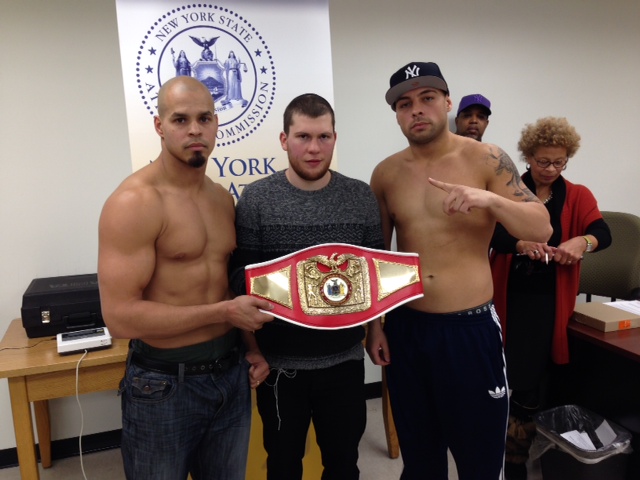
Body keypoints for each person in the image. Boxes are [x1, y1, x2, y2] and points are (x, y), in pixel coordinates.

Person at [366, 61, 552, 480]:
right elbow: (379, 256)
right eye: (404, 104)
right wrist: (374, 327)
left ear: (447, 103)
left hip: (469, 330)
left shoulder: (486, 158)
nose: (416, 109)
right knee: (420, 457)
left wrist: (490, 200)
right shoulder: (386, 173)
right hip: (407, 328)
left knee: (480, 459)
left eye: (427, 98)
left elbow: (542, 228)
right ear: (397, 114)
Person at [97, 76, 274, 480]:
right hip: (163, 385)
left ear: (216, 124)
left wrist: (251, 347)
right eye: (180, 119)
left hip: (230, 375)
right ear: (159, 126)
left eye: (204, 118)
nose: (195, 129)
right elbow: (120, 318)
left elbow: (225, 285)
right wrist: (224, 312)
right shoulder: (134, 202)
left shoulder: (221, 198)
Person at [229, 93, 385, 480]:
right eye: (303, 137)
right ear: (284, 140)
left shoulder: (360, 196)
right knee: (283, 466)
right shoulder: (257, 199)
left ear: (334, 138)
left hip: (345, 360)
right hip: (280, 366)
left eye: (323, 137)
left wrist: (376, 330)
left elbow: (374, 274)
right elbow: (241, 283)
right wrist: (252, 349)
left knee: (343, 464)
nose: (314, 148)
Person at [490, 117, 611, 468]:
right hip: (508, 293)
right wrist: (520, 244)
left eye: (560, 162)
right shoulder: (507, 190)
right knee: (504, 370)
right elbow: (491, 235)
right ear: (528, 156)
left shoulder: (578, 195)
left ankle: (519, 449)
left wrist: (582, 242)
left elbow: (603, 232)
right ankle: (505, 440)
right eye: (543, 161)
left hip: (549, 299)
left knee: (535, 376)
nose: (551, 169)